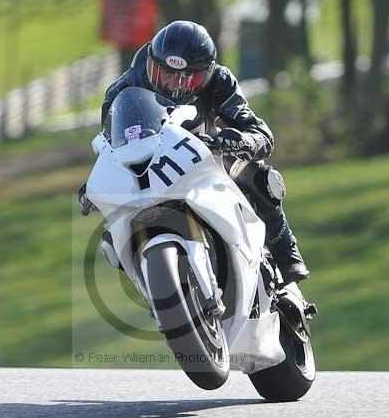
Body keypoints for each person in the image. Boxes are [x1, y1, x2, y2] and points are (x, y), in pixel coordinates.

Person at [79, 20, 309, 284]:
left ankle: (286, 253)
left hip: (208, 156)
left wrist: (241, 141)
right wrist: (97, 185)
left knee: (260, 179)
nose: (175, 85)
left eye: (189, 77)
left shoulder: (221, 81)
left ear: (207, 73)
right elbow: (110, 146)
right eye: (166, 73)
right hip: (151, 165)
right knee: (110, 239)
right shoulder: (123, 89)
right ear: (153, 64)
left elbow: (261, 133)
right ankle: (156, 289)